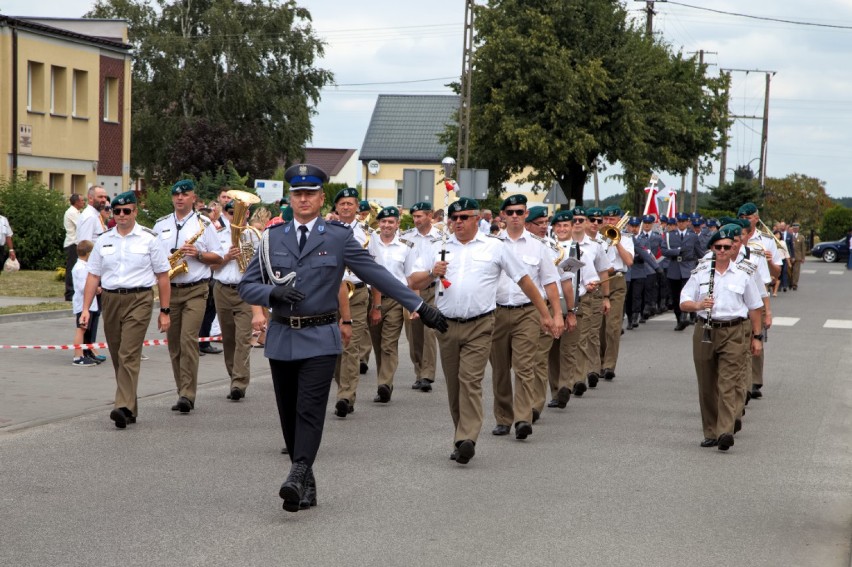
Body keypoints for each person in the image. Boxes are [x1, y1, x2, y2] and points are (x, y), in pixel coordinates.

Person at [239, 164, 446, 513]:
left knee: (309, 409)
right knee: (288, 413)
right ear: (290, 198)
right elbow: (246, 284)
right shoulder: (272, 237)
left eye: (310, 194)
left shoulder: (336, 237)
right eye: (297, 194)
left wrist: (418, 306)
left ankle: (297, 471)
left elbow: (376, 273)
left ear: (321, 198)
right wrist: (272, 295)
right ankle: (307, 482)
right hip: (282, 336)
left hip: (321, 335)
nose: (303, 199)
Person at [410, 197, 558, 465]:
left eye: (463, 217)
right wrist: (433, 273)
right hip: (445, 324)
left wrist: (546, 314)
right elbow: (413, 281)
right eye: (454, 218)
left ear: (477, 219)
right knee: (454, 385)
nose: (458, 222)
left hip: (481, 324)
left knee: (470, 380)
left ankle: (468, 437)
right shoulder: (439, 247)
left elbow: (525, 281)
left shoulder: (495, 247)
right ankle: (460, 435)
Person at [79, 191, 171, 429]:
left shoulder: (149, 239)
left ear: (135, 212)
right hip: (110, 300)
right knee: (117, 353)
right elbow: (93, 275)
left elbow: (162, 276)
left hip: (139, 298)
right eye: (116, 211)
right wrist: (86, 308)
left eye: (126, 211)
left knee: (129, 353)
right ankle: (130, 407)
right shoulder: (104, 239)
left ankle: (121, 406)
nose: (121, 215)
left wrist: (164, 310)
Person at [680, 226, 764, 451]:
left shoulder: (743, 274)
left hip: (733, 330)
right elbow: (683, 301)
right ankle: (710, 431)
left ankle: (725, 431)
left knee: (728, 382)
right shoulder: (700, 272)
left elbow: (755, 307)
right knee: (707, 384)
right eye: (718, 247)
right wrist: (698, 305)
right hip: (705, 330)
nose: (723, 250)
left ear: (733, 248)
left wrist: (757, 337)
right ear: (712, 248)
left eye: (727, 247)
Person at [488, 195, 563, 440]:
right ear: (502, 216)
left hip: (527, 312)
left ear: (526, 214)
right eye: (510, 212)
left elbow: (550, 281)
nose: (515, 217)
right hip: (497, 311)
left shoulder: (538, 245)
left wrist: (556, 314)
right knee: (499, 368)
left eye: (519, 212)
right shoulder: (491, 244)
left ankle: (522, 418)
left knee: (524, 366)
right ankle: (503, 418)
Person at [153, 180, 224, 414]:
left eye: (184, 194)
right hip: (170, 289)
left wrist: (199, 254)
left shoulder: (204, 224)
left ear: (193, 197)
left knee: (187, 340)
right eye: (176, 194)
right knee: (174, 345)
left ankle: (188, 394)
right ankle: (181, 389)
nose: (179, 198)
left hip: (196, 288)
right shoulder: (161, 224)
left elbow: (219, 257)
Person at [367, 206, 422, 404]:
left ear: (398, 224)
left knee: (389, 343)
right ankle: (385, 382)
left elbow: (411, 278)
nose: (387, 225)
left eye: (391, 222)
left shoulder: (406, 246)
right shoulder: (370, 244)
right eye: (383, 221)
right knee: (378, 343)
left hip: (396, 300)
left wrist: (415, 305)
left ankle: (384, 383)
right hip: (373, 299)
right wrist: (375, 304)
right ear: (379, 223)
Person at [331, 187, 374, 417]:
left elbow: (375, 270)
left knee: (351, 344)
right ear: (336, 207)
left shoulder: (368, 233)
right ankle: (342, 386)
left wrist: (376, 303)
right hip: (331, 293)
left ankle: (346, 396)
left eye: (350, 203)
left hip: (356, 292)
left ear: (357, 207)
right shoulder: (326, 230)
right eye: (342, 204)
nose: (346, 207)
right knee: (335, 346)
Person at [212, 198, 257, 401]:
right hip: (222, 289)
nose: (234, 217)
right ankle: (234, 377)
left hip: (245, 291)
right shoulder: (218, 235)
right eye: (230, 213)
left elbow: (262, 265)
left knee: (243, 339)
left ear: (247, 214)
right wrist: (226, 257)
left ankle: (239, 382)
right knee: (228, 338)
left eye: (238, 213)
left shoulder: (255, 236)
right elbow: (211, 266)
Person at [402, 201, 441, 392]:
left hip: (434, 289)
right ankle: (419, 371)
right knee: (413, 332)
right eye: (414, 216)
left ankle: (428, 374)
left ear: (430, 215)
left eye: (420, 216)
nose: (416, 220)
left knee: (429, 330)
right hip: (410, 289)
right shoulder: (406, 238)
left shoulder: (441, 237)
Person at [598, 205, 633, 381]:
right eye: (607, 219)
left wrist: (617, 241)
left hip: (617, 281)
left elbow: (629, 261)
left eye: (612, 219)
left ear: (619, 220)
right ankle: (599, 362)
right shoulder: (597, 239)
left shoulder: (626, 239)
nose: (609, 222)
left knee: (612, 326)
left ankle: (609, 365)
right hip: (599, 281)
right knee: (599, 326)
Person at [661, 212, 701, 331]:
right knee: (675, 295)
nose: (681, 223)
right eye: (679, 221)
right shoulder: (669, 235)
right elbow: (664, 251)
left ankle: (684, 317)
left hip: (688, 267)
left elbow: (699, 252)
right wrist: (677, 251)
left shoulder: (692, 235)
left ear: (688, 222)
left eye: (684, 221)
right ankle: (679, 319)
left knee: (686, 293)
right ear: (677, 222)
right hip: (674, 267)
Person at [71, 240, 99, 366]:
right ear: (88, 253)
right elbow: (83, 286)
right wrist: (96, 289)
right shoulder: (81, 267)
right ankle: (78, 356)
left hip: (89, 304)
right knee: (81, 329)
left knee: (87, 330)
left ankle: (87, 352)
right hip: (82, 304)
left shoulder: (85, 266)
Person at [63, 194, 85, 300]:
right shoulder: (72, 212)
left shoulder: (77, 212)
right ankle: (69, 293)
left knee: (75, 268)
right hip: (72, 243)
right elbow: (81, 225)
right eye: (82, 200)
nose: (83, 202)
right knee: (71, 268)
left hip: (76, 243)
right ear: (76, 202)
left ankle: (75, 291)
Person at [789, 223, 806, 288]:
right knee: (789, 271)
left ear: (798, 229)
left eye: (796, 228)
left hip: (798, 256)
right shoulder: (790, 235)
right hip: (790, 256)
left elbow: (803, 248)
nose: (795, 229)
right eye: (794, 228)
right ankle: (790, 283)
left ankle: (794, 284)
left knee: (796, 271)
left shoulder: (801, 237)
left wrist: (803, 258)